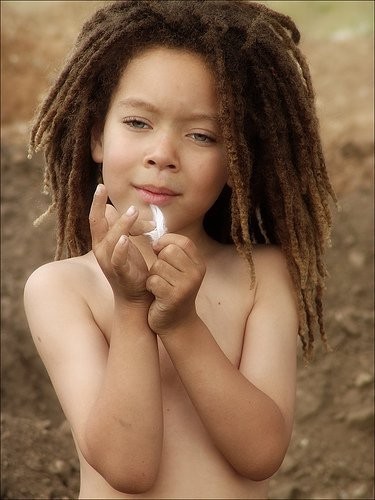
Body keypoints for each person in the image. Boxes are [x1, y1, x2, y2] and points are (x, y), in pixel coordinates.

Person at [24, 1, 336, 498]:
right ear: (95, 137)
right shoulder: (63, 288)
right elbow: (129, 469)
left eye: (201, 135)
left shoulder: (262, 276)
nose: (163, 155)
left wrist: (182, 324)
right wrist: (132, 309)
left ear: (236, 160)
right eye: (138, 123)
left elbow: (260, 454)